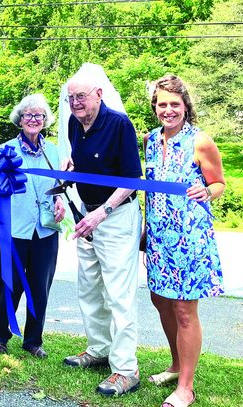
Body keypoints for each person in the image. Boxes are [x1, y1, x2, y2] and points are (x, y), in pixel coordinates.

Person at [61, 69, 143, 396]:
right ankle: (98, 349)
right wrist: (70, 173)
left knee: (119, 295)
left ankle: (126, 369)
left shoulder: (120, 124)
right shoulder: (73, 124)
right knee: (89, 288)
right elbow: (83, 165)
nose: (76, 103)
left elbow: (131, 180)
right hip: (86, 216)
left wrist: (102, 213)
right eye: (71, 98)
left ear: (98, 94)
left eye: (82, 96)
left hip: (116, 217)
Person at [145, 75, 225, 407]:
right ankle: (176, 365)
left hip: (190, 239)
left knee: (184, 311)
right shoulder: (150, 140)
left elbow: (219, 183)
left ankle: (186, 387)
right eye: (162, 104)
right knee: (160, 301)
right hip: (158, 237)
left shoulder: (200, 141)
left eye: (174, 104)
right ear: (155, 107)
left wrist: (207, 191)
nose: (168, 110)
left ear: (185, 106)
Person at [0, 94, 65, 358]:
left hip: (44, 230)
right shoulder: (6, 150)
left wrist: (60, 201)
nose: (33, 119)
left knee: (40, 287)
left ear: (45, 121)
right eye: (28, 115)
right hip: (14, 228)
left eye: (39, 115)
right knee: (8, 285)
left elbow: (58, 186)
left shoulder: (54, 151)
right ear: (20, 119)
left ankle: (34, 340)